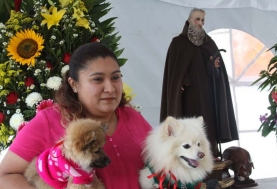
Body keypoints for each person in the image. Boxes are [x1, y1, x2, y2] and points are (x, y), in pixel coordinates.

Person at [0, 42, 152, 189]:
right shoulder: (48, 121)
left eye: (115, 77)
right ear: (74, 84)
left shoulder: (133, 117)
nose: (110, 88)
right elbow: (5, 177)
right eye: (98, 79)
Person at [160, 8, 239, 159]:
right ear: (189, 20)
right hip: (187, 98)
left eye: (203, 20)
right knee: (189, 127)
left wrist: (214, 67)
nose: (200, 23)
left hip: (208, 96)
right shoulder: (178, 43)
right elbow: (174, 74)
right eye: (197, 19)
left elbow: (217, 75)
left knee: (208, 126)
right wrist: (181, 82)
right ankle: (189, 156)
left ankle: (211, 155)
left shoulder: (209, 43)